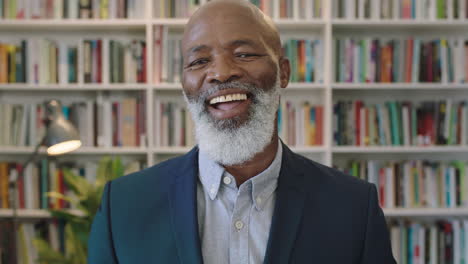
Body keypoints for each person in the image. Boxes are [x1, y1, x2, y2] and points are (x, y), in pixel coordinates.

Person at [88, 1, 396, 263]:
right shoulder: (124, 207)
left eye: (244, 54)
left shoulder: (353, 207)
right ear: (184, 83)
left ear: (283, 72)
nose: (221, 73)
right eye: (199, 61)